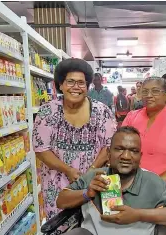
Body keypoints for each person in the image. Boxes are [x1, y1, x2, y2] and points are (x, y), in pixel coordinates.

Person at [57, 126, 166, 235]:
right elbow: (61, 201)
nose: (126, 156)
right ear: (109, 153)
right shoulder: (95, 176)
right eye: (119, 149)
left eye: (133, 151)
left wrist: (138, 215)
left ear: (140, 157)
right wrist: (87, 193)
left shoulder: (153, 182)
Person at [33, 58, 117, 234]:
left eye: (81, 82)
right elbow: (41, 149)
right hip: (58, 183)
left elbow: (110, 146)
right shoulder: (48, 111)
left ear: (88, 86)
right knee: (60, 226)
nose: (76, 87)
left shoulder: (102, 111)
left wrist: (90, 171)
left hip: (96, 180)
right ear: (60, 85)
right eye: (70, 81)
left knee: (96, 225)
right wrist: (68, 170)